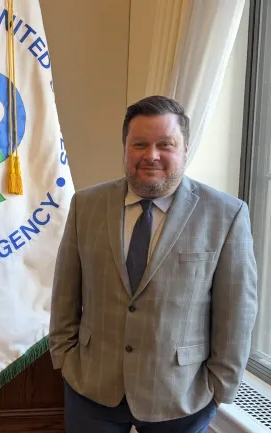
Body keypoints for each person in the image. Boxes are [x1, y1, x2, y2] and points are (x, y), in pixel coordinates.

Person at [49, 95, 258, 433]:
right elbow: (65, 292)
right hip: (91, 386)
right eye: (140, 144)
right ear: (125, 147)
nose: (152, 155)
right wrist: (64, 357)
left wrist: (220, 386)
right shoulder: (86, 205)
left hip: (181, 393)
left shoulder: (226, 214)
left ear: (185, 148)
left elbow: (236, 311)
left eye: (166, 144)